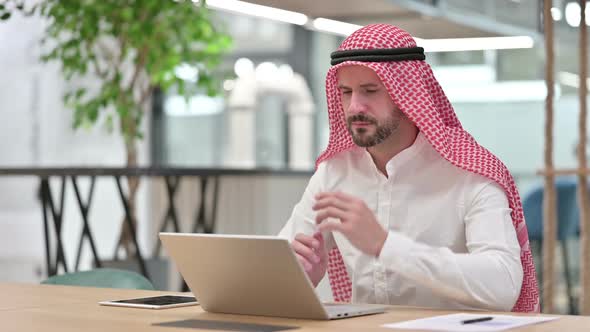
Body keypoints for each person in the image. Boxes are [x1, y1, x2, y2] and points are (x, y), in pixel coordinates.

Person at [278, 24, 539, 313]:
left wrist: (387, 246)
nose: (354, 106)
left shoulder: (470, 172)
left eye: (370, 91)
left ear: (407, 93)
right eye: (346, 92)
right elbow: (279, 259)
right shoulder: (334, 172)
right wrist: (299, 280)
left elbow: (502, 285)